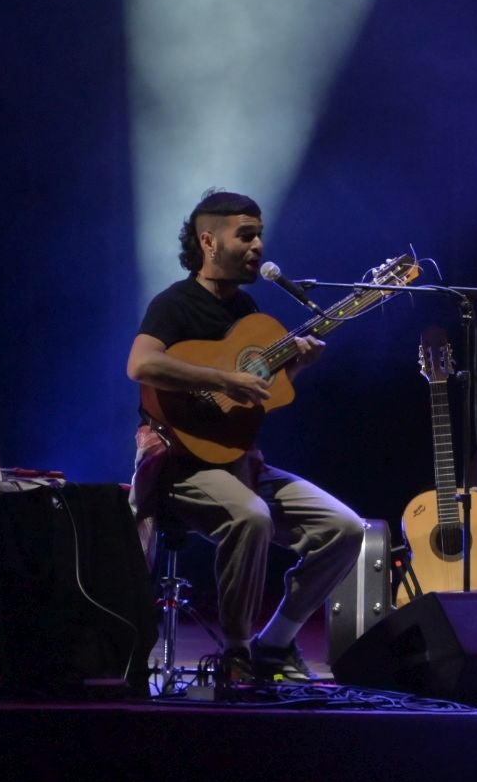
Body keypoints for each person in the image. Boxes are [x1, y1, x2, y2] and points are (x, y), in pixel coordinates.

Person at [127, 189, 364, 683]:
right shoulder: (174, 303)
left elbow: (256, 398)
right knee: (251, 517)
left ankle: (274, 644)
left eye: (260, 235)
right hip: (180, 466)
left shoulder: (248, 310)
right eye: (246, 235)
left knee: (345, 529)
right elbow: (141, 364)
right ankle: (236, 651)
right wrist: (224, 378)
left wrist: (293, 368)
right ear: (209, 241)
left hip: (237, 460)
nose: (258, 246)